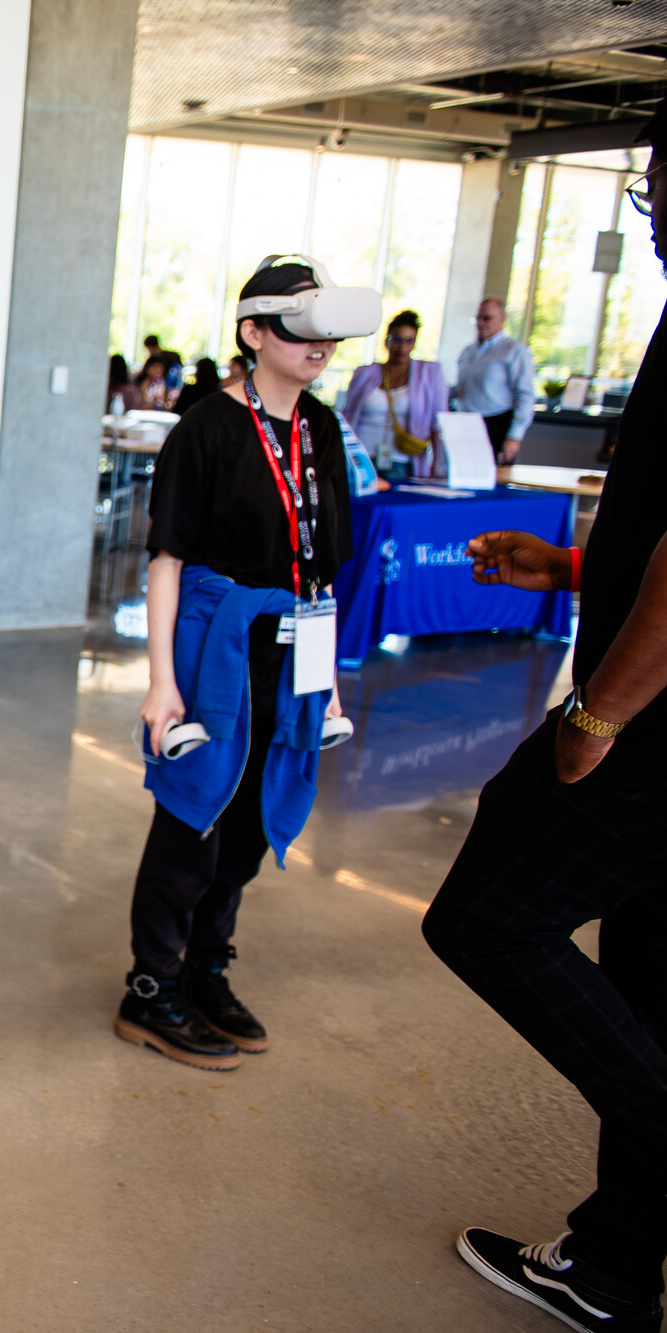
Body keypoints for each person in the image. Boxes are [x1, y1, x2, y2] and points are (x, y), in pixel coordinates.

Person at [423, 117, 667, 1333]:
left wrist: (593, 712)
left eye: (651, 182)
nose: (648, 206)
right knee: (652, 977)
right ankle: (618, 1266)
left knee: (480, 917)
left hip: (652, 736)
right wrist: (571, 569)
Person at [117, 257, 359, 1072]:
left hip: (294, 648)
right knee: (195, 818)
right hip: (214, 648)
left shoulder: (321, 427)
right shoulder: (207, 429)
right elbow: (166, 560)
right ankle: (151, 987)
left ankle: (204, 966)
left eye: (326, 329)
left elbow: (322, 564)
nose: (318, 344)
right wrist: (162, 682)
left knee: (252, 821)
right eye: (299, 327)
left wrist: (326, 679)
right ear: (254, 333)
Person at [342, 310, 449, 480]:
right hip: (361, 456)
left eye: (409, 341)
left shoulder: (429, 374)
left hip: (402, 459)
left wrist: (437, 463)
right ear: (387, 340)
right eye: (397, 339)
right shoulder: (365, 373)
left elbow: (438, 421)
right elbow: (346, 415)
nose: (402, 346)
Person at [453, 297, 537, 463]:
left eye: (486, 318)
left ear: (502, 318)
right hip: (464, 424)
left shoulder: (514, 351)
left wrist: (514, 436)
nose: (481, 323)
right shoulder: (469, 351)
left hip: (495, 425)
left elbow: (525, 395)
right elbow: (461, 389)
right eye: (478, 318)